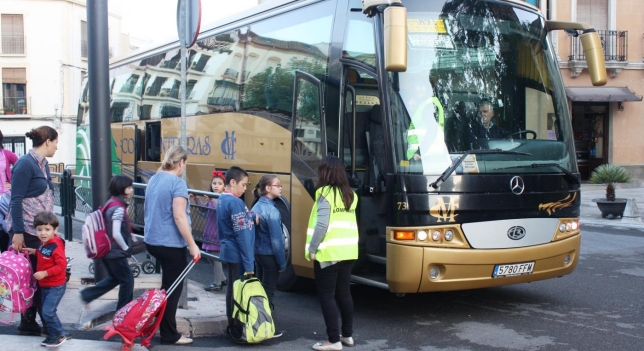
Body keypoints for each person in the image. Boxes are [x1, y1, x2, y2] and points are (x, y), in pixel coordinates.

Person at [144, 145, 201, 345]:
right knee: (171, 292)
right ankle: (169, 334)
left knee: (165, 289)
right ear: (181, 163)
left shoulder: (154, 179)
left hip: (152, 240)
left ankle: (151, 325)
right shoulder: (178, 184)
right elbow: (179, 216)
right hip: (170, 244)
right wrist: (192, 245)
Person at [8, 125, 58, 336]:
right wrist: (18, 232)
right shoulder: (24, 164)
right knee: (37, 277)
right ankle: (41, 323)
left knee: (37, 277)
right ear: (47, 141)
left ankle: (30, 322)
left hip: (40, 232)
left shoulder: (42, 164)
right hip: (27, 232)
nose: (56, 147)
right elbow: (16, 199)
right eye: (55, 142)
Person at [307, 156, 359, 351]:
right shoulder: (351, 194)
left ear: (325, 172)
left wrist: (312, 249)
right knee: (344, 293)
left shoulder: (324, 193)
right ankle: (347, 335)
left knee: (327, 295)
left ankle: (333, 340)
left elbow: (322, 224)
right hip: (348, 251)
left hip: (329, 252)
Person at [80, 175, 135, 310]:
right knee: (127, 281)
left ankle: (87, 295)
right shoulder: (118, 208)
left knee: (115, 278)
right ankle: (123, 313)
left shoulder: (111, 202)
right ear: (123, 189)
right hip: (115, 251)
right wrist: (126, 247)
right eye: (129, 187)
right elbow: (116, 233)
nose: (132, 190)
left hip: (107, 249)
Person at [218, 166, 256, 334]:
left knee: (231, 291)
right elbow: (242, 234)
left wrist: (251, 216)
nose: (245, 188)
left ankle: (231, 326)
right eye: (244, 184)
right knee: (236, 292)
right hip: (237, 253)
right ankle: (236, 328)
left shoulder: (222, 199)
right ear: (233, 182)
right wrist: (249, 264)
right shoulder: (235, 202)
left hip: (227, 250)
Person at [23, 211, 70, 348]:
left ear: (55, 230)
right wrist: (34, 251)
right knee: (48, 310)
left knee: (47, 312)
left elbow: (62, 265)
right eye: (39, 230)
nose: (43, 233)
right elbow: (44, 253)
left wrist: (45, 273)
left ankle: (57, 335)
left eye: (47, 229)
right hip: (46, 285)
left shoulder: (55, 244)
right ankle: (60, 331)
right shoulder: (44, 243)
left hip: (56, 286)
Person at [251, 174, 286, 309]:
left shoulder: (256, 206)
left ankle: (257, 324)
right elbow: (277, 241)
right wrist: (282, 263)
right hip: (269, 255)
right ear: (268, 188)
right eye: (278, 185)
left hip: (258, 254)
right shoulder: (272, 211)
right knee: (268, 293)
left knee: (260, 291)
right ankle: (266, 326)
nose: (281, 187)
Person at [191, 170, 227, 292]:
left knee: (215, 258)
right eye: (214, 183)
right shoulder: (211, 198)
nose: (216, 186)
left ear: (224, 186)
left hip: (217, 233)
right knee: (210, 257)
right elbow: (203, 210)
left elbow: (220, 210)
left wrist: (212, 201)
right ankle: (222, 278)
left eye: (219, 183)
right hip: (209, 232)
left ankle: (217, 282)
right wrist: (196, 199)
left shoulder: (222, 198)